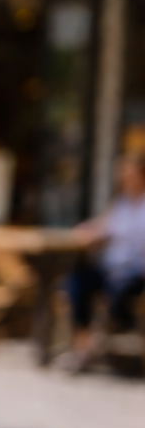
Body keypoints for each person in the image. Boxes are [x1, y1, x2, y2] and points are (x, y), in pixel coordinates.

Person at [63, 152, 145, 370]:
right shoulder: (122, 204)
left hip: (135, 273)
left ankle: (117, 335)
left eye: (128, 172)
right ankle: (84, 349)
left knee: (120, 292)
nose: (123, 177)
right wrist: (86, 231)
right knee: (77, 282)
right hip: (110, 269)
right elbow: (103, 227)